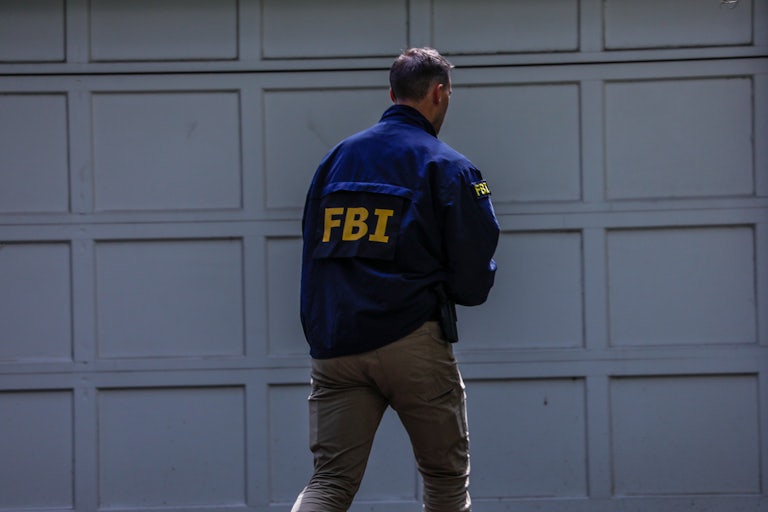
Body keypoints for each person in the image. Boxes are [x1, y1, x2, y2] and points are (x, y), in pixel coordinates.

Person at [293, 47, 499, 512]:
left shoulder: (335, 160)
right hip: (411, 341)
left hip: (337, 342)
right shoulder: (456, 169)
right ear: (440, 94)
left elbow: (311, 247)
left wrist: (320, 330)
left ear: (391, 93)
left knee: (328, 483)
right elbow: (474, 268)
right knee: (445, 481)